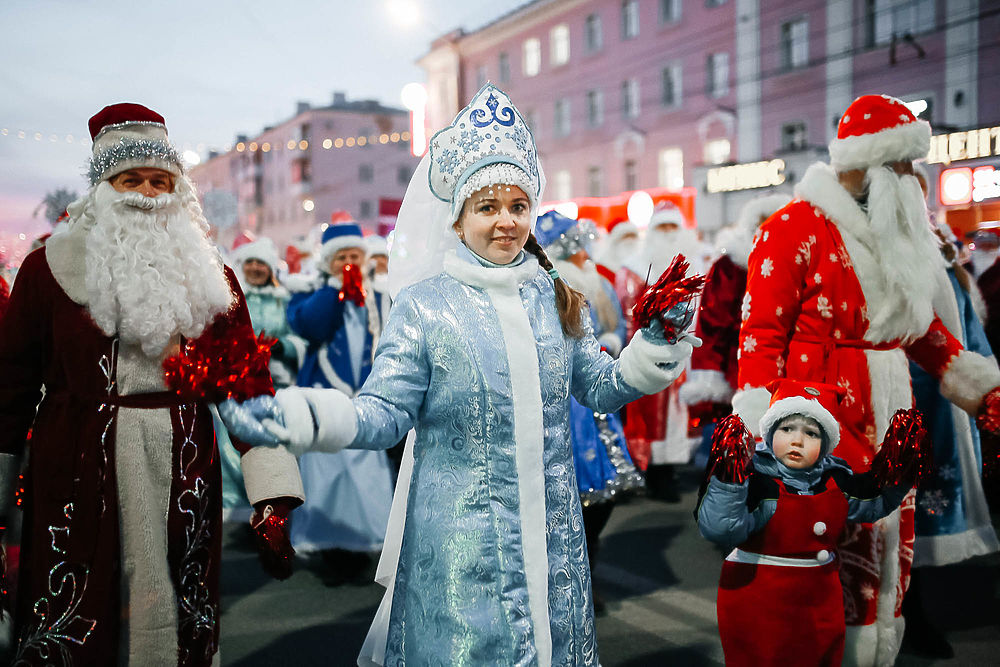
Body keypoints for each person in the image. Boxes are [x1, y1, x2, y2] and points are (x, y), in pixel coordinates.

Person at [227, 83, 696, 665]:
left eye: (518, 206)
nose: (506, 222)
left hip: (554, 542)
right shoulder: (425, 307)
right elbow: (386, 413)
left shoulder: (555, 299)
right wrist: (302, 414)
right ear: (458, 219)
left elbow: (601, 386)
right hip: (462, 548)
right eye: (488, 207)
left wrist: (658, 340)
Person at [0, 103, 302, 665]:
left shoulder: (212, 276)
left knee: (177, 605)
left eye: (160, 180)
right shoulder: (48, 270)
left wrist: (270, 493)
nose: (146, 192)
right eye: (130, 179)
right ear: (102, 190)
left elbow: (246, 384)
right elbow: (9, 389)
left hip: (181, 461)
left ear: (178, 191)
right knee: (76, 611)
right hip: (75, 463)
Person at [733, 93, 1000, 665]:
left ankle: (879, 648)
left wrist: (979, 388)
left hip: (892, 414)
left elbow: (919, 329)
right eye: (903, 165)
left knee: (889, 554)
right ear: (872, 165)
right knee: (829, 560)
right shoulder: (791, 228)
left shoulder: (892, 235)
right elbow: (759, 339)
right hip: (819, 418)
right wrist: (763, 436)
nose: (912, 177)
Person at [697, 380, 923, 666]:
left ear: (826, 443)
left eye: (812, 433)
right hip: (758, 601)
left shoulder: (836, 480)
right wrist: (729, 478)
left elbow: (874, 501)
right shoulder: (757, 480)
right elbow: (722, 528)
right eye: (787, 428)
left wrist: (900, 465)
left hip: (820, 601)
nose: (797, 440)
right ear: (769, 432)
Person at [902, 174, 1000, 657]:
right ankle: (905, 613)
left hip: (948, 400)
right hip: (903, 401)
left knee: (927, 511)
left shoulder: (941, 252)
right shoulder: (883, 256)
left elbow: (966, 319)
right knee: (896, 512)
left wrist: (986, 384)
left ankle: (913, 609)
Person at [536, 209, 644, 614]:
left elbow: (617, 324)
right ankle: (560, 584)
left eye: (583, 246)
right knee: (564, 497)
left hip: (596, 399)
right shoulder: (548, 287)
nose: (583, 253)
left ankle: (586, 575)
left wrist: (614, 341)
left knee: (598, 500)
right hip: (562, 403)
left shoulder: (598, 283)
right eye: (575, 247)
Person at [285, 221, 394, 578]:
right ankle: (323, 537)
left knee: (365, 470)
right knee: (325, 471)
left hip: (365, 395)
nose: (349, 262)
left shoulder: (379, 295)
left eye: (355, 256)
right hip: (323, 395)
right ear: (329, 261)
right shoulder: (310, 291)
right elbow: (310, 327)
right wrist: (334, 289)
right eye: (341, 257)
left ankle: (366, 538)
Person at [680, 194, 791, 463]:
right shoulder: (731, 266)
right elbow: (712, 323)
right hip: (738, 365)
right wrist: (711, 372)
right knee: (736, 442)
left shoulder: (798, 263)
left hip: (791, 364)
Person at [622, 201, 703, 500]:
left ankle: (670, 469)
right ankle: (655, 474)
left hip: (685, 351)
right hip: (649, 351)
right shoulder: (635, 267)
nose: (669, 234)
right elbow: (628, 310)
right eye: (662, 228)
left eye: (674, 227)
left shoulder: (696, 265)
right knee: (651, 413)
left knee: (678, 417)